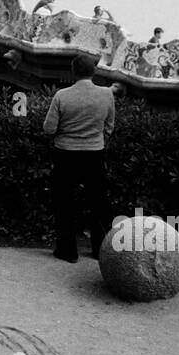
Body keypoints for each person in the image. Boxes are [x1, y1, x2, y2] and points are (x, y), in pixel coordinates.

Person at [43, 55, 116, 262]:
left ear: (73, 71)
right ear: (94, 71)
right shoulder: (107, 95)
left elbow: (49, 128)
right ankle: (100, 249)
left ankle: (67, 251)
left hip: (66, 154)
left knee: (64, 201)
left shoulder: (62, 96)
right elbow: (110, 126)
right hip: (95, 153)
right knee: (98, 202)